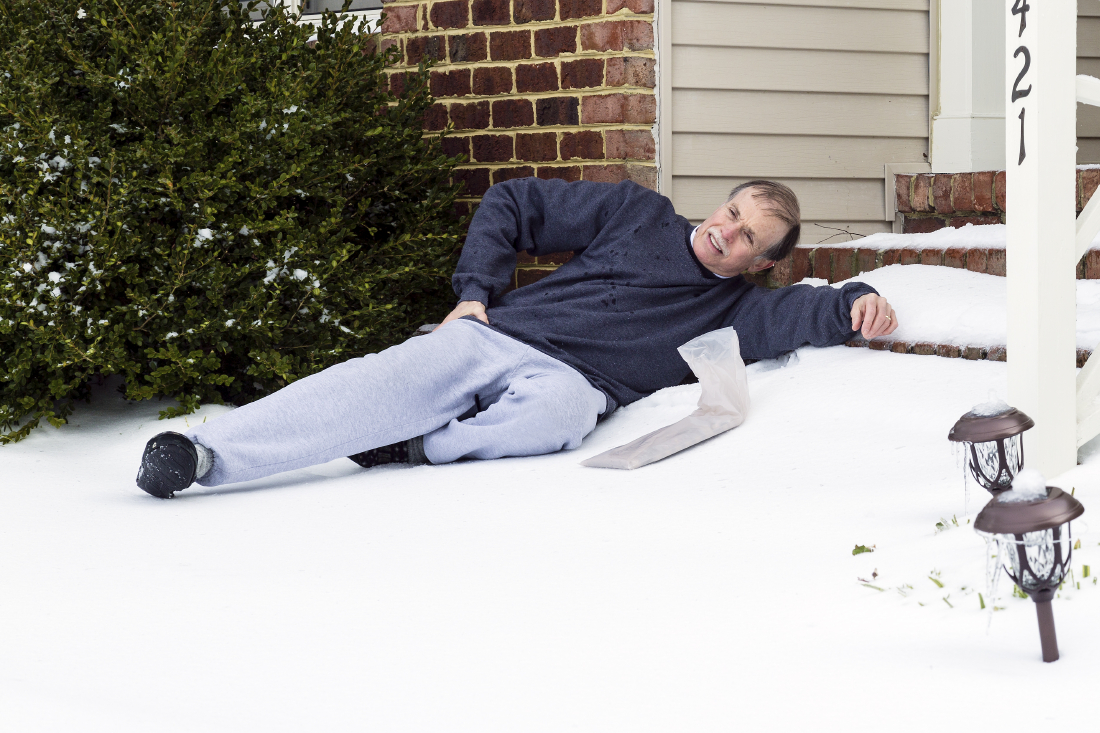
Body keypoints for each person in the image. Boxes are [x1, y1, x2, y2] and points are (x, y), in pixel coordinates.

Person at [134, 177, 898, 497]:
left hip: (573, 385)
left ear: (761, 263)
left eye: (745, 237)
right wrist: (474, 295)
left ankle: (415, 448)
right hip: (499, 337)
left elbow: (811, 309)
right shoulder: (636, 212)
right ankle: (208, 453)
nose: (723, 231)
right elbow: (512, 203)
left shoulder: (738, 313)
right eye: (730, 211)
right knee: (377, 384)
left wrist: (858, 301)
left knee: (562, 415)